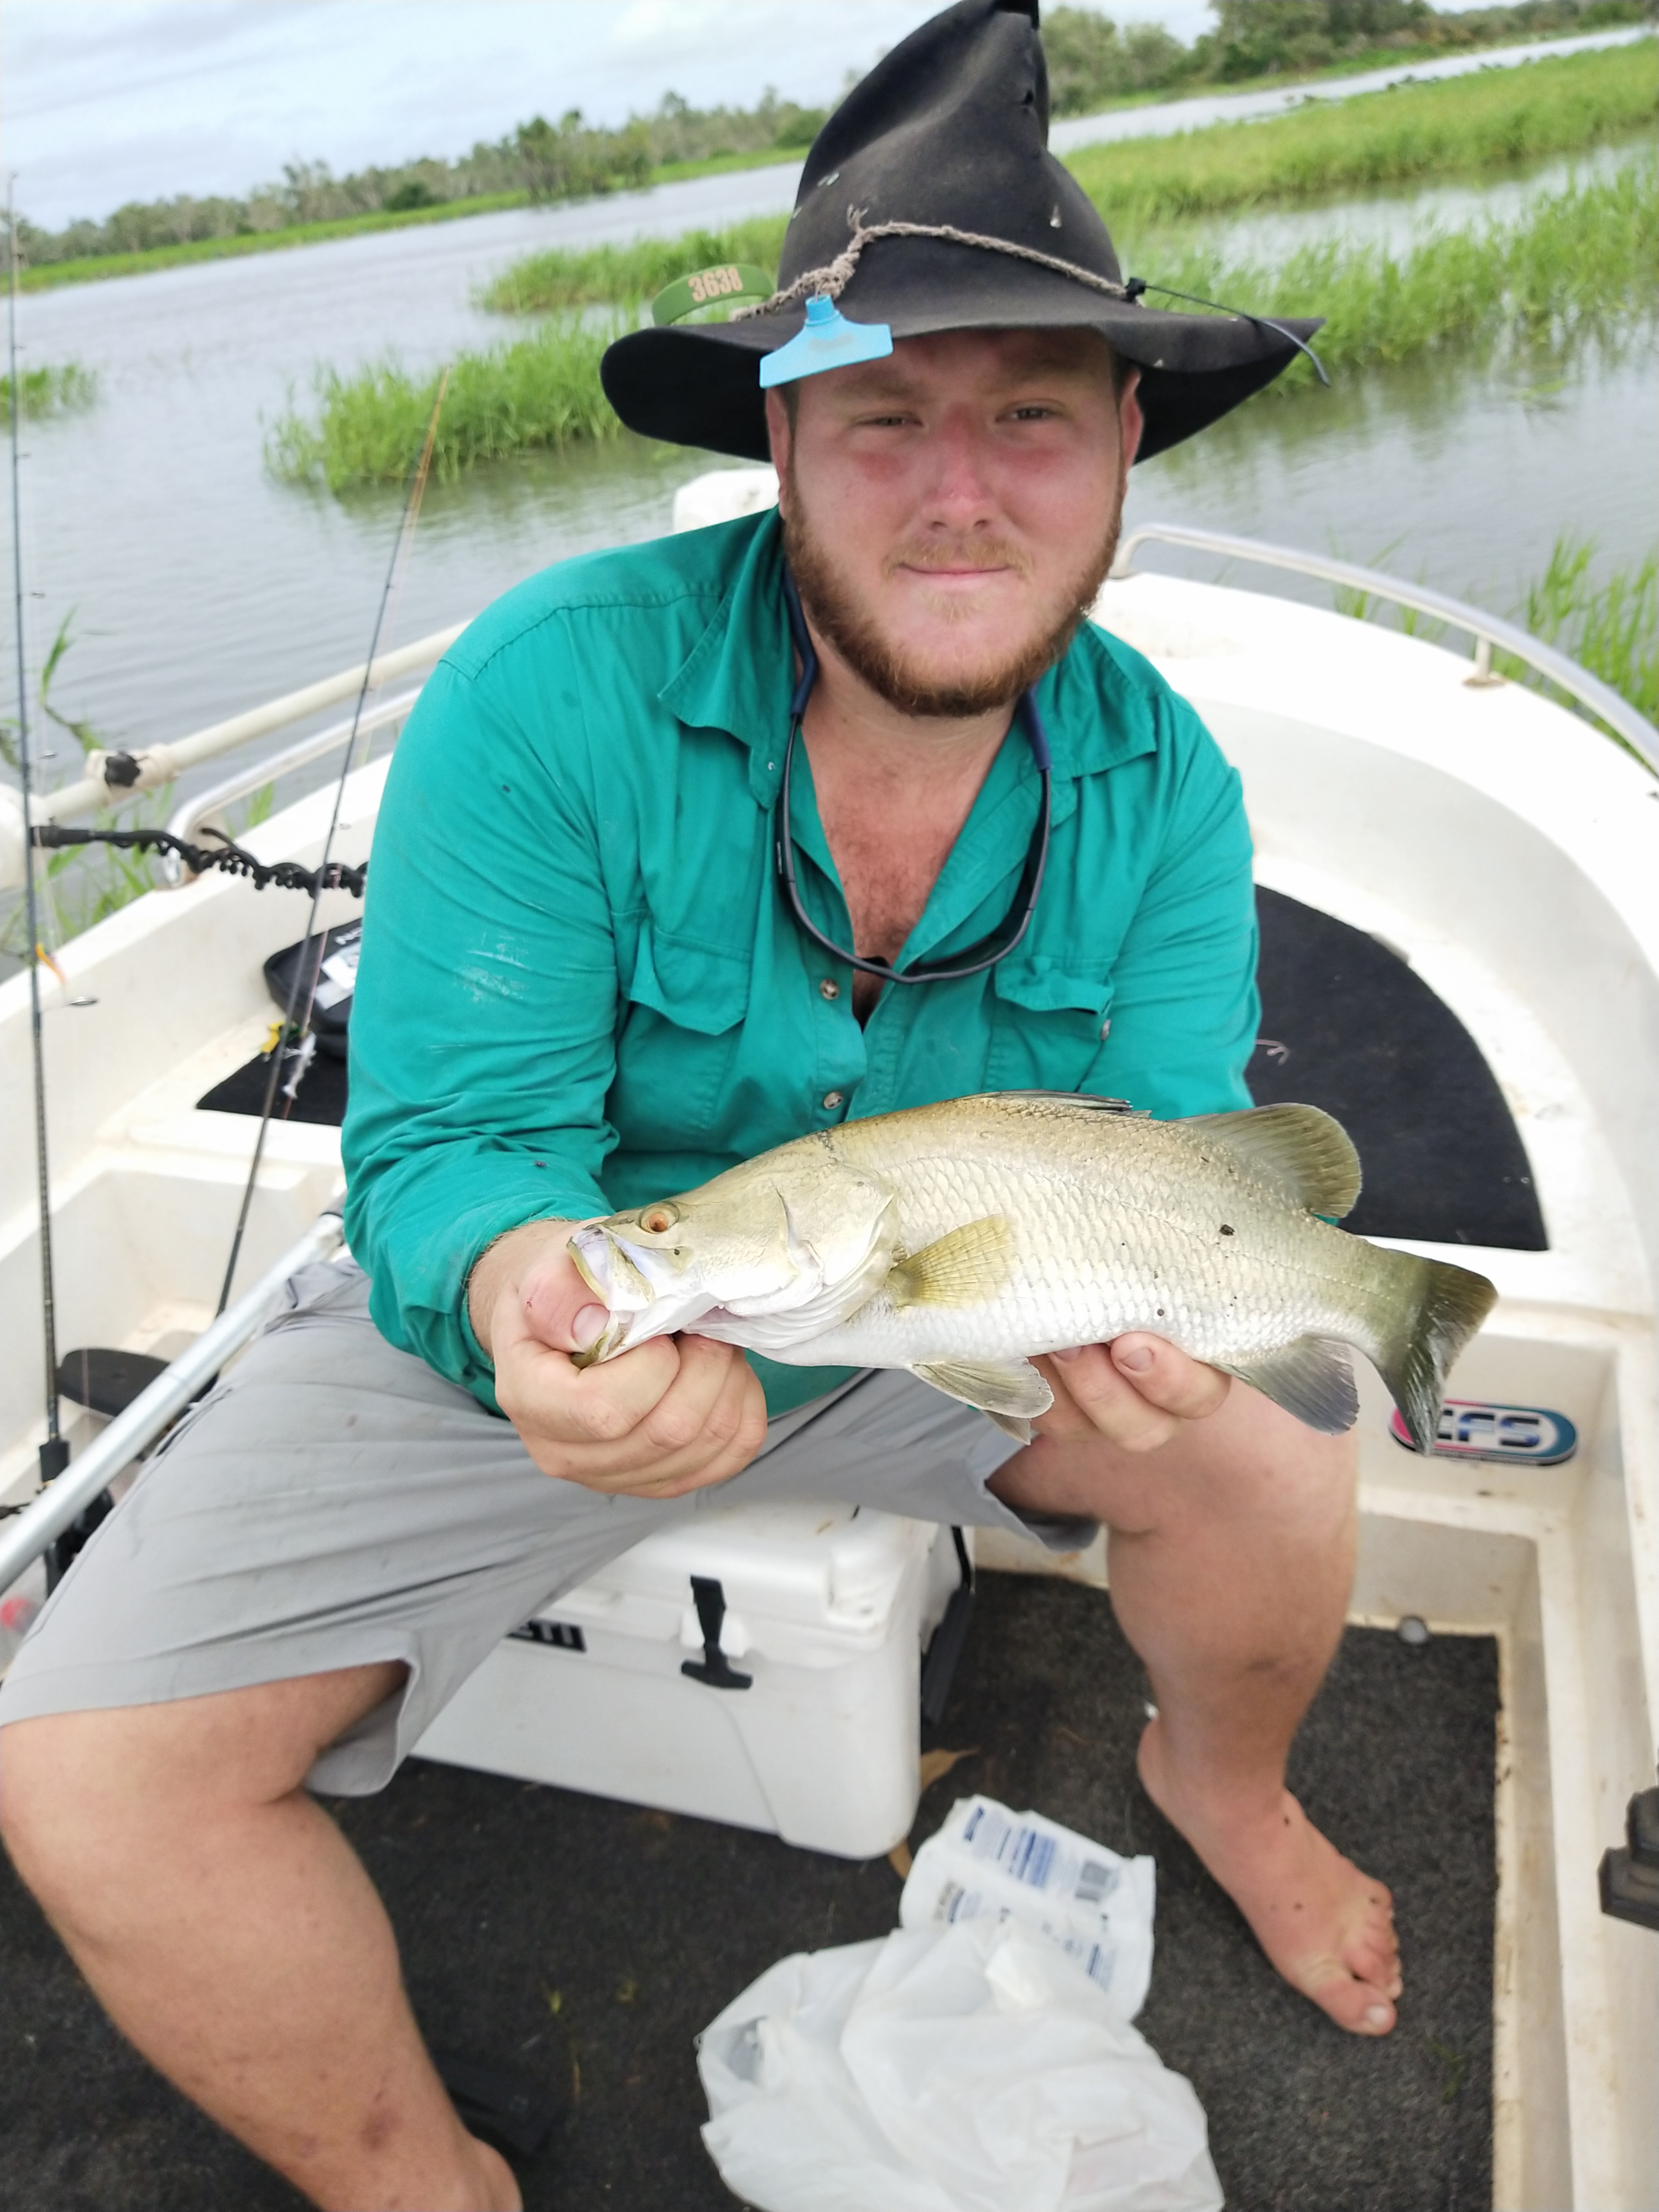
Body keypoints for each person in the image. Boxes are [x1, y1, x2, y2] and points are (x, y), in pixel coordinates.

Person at [0, 6, 1400, 2208]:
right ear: (779, 435)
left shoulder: (1168, 787)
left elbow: (1165, 1167)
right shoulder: (551, 692)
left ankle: (1225, 1776)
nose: (960, 491)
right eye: (884, 418)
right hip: (576, 1311)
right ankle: (414, 2179)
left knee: (1282, 1469)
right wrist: (525, 1292)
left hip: (960, 1313)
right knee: (87, 1782)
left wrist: (1160, 1341)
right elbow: (451, 1153)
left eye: (1032, 416)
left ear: (1132, 433)